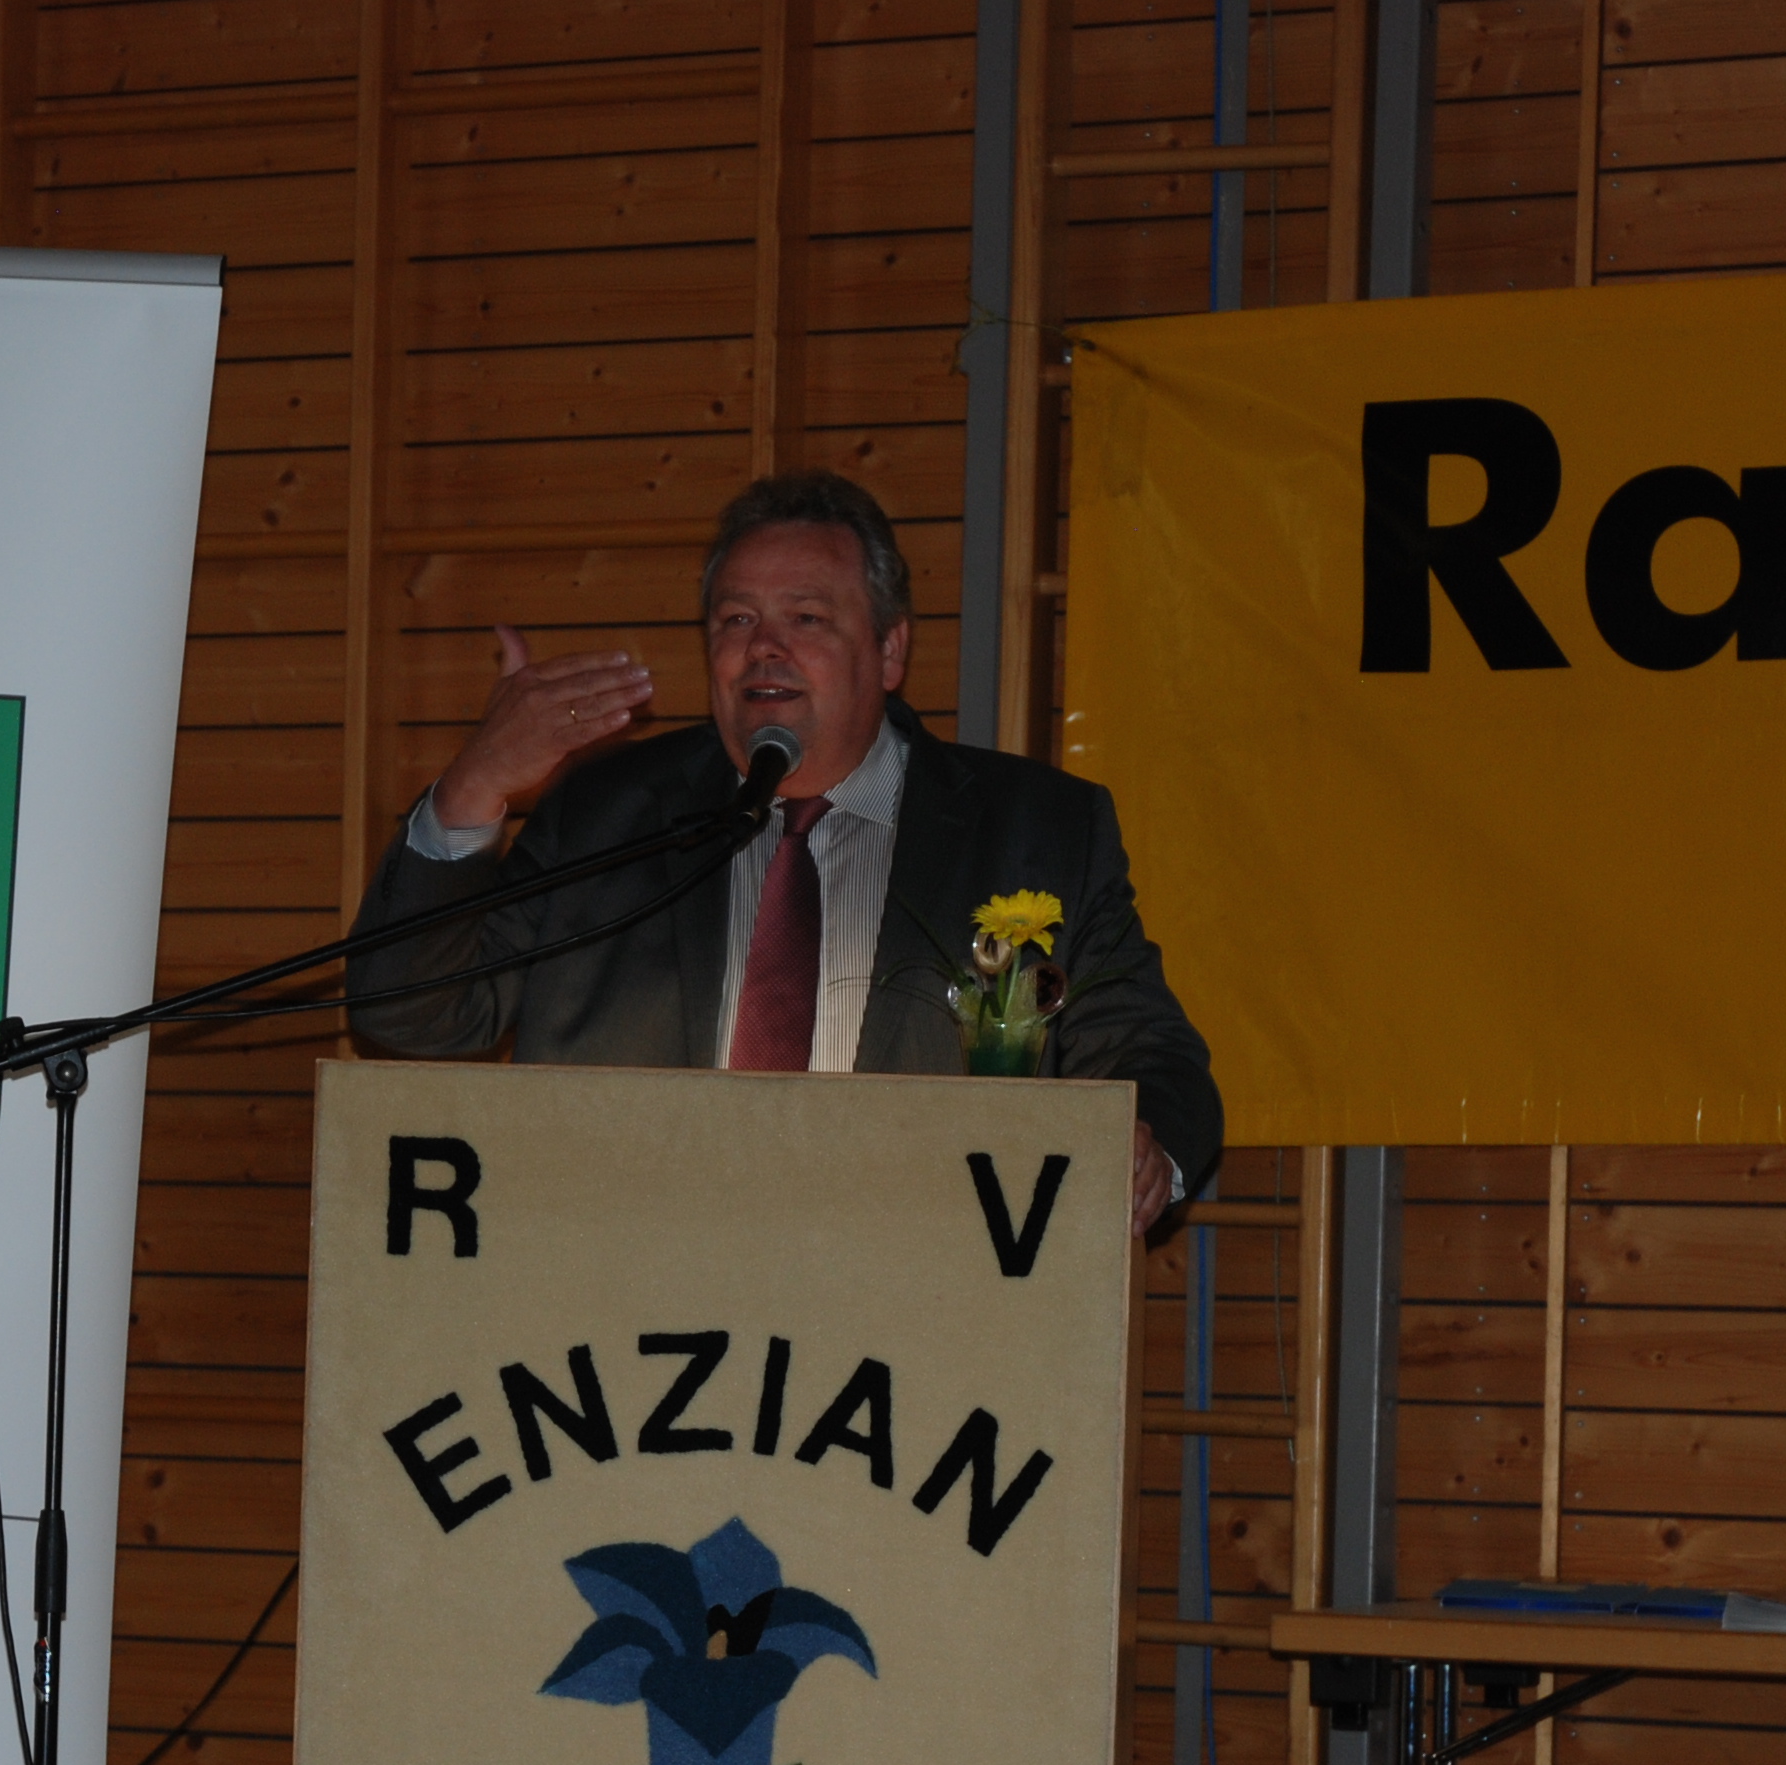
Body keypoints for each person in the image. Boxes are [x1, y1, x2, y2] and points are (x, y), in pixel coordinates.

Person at [346, 470, 1219, 1231]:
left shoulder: (1034, 829)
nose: (764, 647)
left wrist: (1147, 1154)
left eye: (806, 617)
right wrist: (474, 787)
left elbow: (1148, 1052)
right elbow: (414, 1017)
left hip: (918, 1301)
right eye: (736, 619)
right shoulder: (609, 814)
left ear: (889, 649)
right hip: (630, 1292)